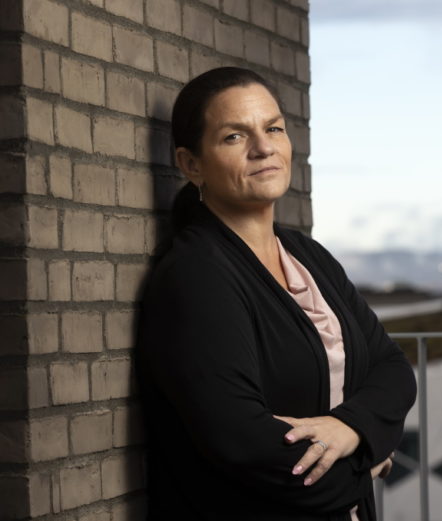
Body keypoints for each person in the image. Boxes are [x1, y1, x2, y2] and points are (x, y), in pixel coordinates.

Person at [136, 67, 417, 521]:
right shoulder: (195, 277)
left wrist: (352, 428)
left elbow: (393, 369)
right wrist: (368, 457)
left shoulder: (307, 256)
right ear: (191, 164)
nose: (263, 148)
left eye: (273, 129)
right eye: (234, 136)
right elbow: (244, 445)